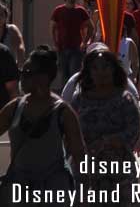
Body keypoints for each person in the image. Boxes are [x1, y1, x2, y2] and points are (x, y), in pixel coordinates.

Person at [0, 46, 86, 201]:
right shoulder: (14, 108)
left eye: (26, 73)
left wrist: (85, 194)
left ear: (43, 77)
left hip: (54, 192)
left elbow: (80, 155)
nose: (21, 78)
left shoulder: (63, 112)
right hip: (20, 191)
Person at [71, 47, 140, 205]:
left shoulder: (125, 99)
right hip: (87, 171)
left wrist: (107, 141)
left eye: (105, 67)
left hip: (119, 172)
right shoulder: (78, 99)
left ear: (114, 69)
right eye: (95, 68)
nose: (100, 72)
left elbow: (133, 131)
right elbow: (69, 132)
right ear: (88, 72)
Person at [51, 0, 93, 85]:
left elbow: (91, 27)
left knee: (74, 75)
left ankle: (74, 97)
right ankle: (65, 98)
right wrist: (55, 43)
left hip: (76, 48)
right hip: (62, 48)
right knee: (64, 75)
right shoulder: (58, 10)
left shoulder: (81, 11)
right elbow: (52, 27)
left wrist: (85, 42)